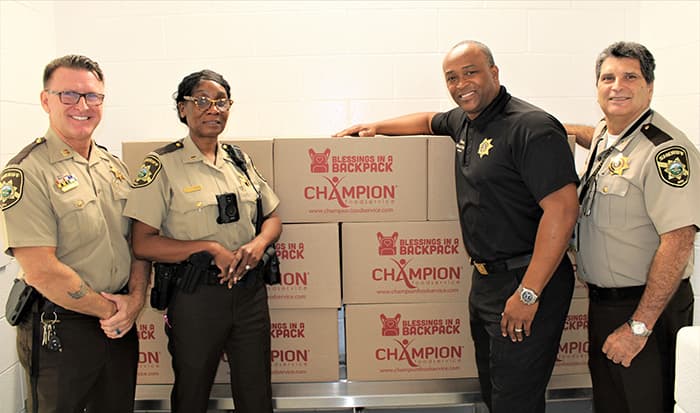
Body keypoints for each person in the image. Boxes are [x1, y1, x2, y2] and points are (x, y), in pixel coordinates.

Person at [334, 40, 579, 413]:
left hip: (527, 280)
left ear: (494, 73)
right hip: (486, 281)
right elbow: (427, 120)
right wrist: (375, 126)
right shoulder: (466, 121)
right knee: (495, 393)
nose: (461, 83)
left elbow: (562, 212)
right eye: (452, 77)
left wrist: (528, 294)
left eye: (470, 72)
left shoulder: (531, 127)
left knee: (517, 401)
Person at [124, 69, 282, 413]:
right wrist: (208, 248)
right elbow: (142, 244)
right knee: (193, 392)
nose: (214, 109)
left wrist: (258, 245)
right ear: (183, 109)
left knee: (256, 393)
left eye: (222, 102)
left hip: (249, 292)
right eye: (202, 101)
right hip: (195, 295)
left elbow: (272, 217)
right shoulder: (161, 166)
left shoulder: (239, 160)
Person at [0, 55, 150, 412]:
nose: (82, 106)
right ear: (45, 100)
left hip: (119, 323)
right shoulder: (26, 172)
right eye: (69, 95)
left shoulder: (113, 167)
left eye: (92, 96)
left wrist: (134, 300)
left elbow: (138, 244)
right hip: (61, 329)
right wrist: (111, 311)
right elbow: (41, 270)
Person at [573, 41, 699, 413]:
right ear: (597, 87)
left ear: (650, 86)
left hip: (647, 310)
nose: (617, 86)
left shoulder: (665, 152)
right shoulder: (607, 136)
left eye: (630, 77)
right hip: (606, 307)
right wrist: (543, 128)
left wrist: (638, 328)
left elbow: (678, 243)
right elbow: (589, 133)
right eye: (608, 77)